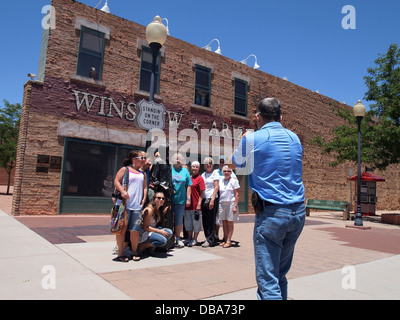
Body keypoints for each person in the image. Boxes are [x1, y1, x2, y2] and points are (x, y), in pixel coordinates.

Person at [232, 98, 305, 300]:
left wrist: (246, 139)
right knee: (280, 274)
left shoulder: (253, 138)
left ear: (257, 117)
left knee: (268, 281)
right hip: (298, 212)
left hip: (272, 214)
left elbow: (235, 163)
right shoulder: (295, 138)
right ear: (281, 117)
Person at [113, 150, 147, 262]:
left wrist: (144, 198)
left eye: (144, 158)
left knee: (135, 230)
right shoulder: (125, 170)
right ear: (134, 159)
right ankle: (121, 253)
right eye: (141, 158)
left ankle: (134, 251)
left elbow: (145, 187)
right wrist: (122, 191)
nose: (144, 160)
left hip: (136, 206)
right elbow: (116, 181)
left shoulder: (143, 173)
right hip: (124, 205)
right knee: (122, 229)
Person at [171, 153, 192, 248]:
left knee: (178, 220)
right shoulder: (169, 169)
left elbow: (188, 186)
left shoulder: (185, 171)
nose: (177, 160)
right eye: (176, 158)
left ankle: (178, 238)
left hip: (181, 200)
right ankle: (169, 238)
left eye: (179, 158)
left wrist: (188, 199)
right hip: (169, 200)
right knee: (169, 219)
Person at [214, 155, 237, 241]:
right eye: (220, 161)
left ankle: (226, 237)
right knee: (218, 218)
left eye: (223, 162)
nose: (222, 163)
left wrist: (235, 203)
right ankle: (216, 235)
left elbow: (235, 187)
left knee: (227, 220)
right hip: (217, 197)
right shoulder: (215, 172)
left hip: (227, 198)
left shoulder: (230, 171)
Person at [218, 165, 240, 248]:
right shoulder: (221, 181)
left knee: (230, 222)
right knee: (224, 222)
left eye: (228, 171)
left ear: (231, 172)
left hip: (231, 202)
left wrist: (235, 206)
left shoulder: (234, 181)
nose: (226, 173)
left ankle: (229, 240)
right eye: (225, 171)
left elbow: (237, 194)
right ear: (222, 172)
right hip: (222, 203)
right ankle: (225, 239)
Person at [184, 161, 205, 247]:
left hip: (196, 205)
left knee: (196, 223)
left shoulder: (200, 178)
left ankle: (195, 239)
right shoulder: (188, 177)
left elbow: (202, 192)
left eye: (196, 167)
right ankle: (189, 238)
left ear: (199, 168)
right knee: (188, 223)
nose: (194, 168)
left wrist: (199, 203)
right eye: (193, 167)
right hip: (188, 205)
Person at [201, 157, 219, 247]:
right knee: (205, 220)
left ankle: (210, 240)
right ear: (204, 165)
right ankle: (207, 238)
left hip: (212, 199)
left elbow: (216, 187)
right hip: (204, 199)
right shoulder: (203, 175)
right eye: (207, 163)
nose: (209, 165)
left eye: (210, 163)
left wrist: (212, 200)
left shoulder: (215, 173)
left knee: (211, 220)